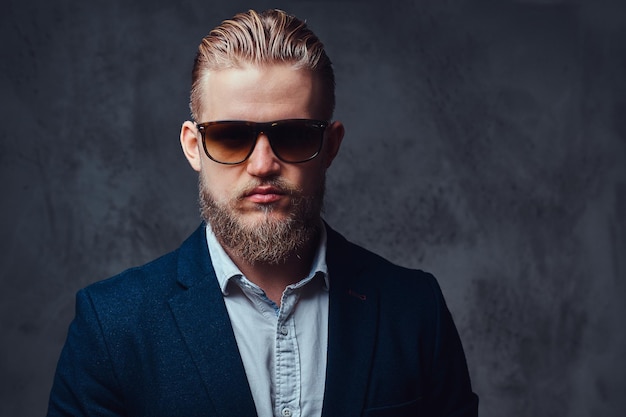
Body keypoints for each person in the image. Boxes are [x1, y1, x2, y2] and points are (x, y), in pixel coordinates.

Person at [47, 9, 479, 417]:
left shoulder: (414, 310)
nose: (263, 164)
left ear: (330, 146)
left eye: (292, 135)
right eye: (231, 137)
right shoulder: (111, 326)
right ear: (193, 146)